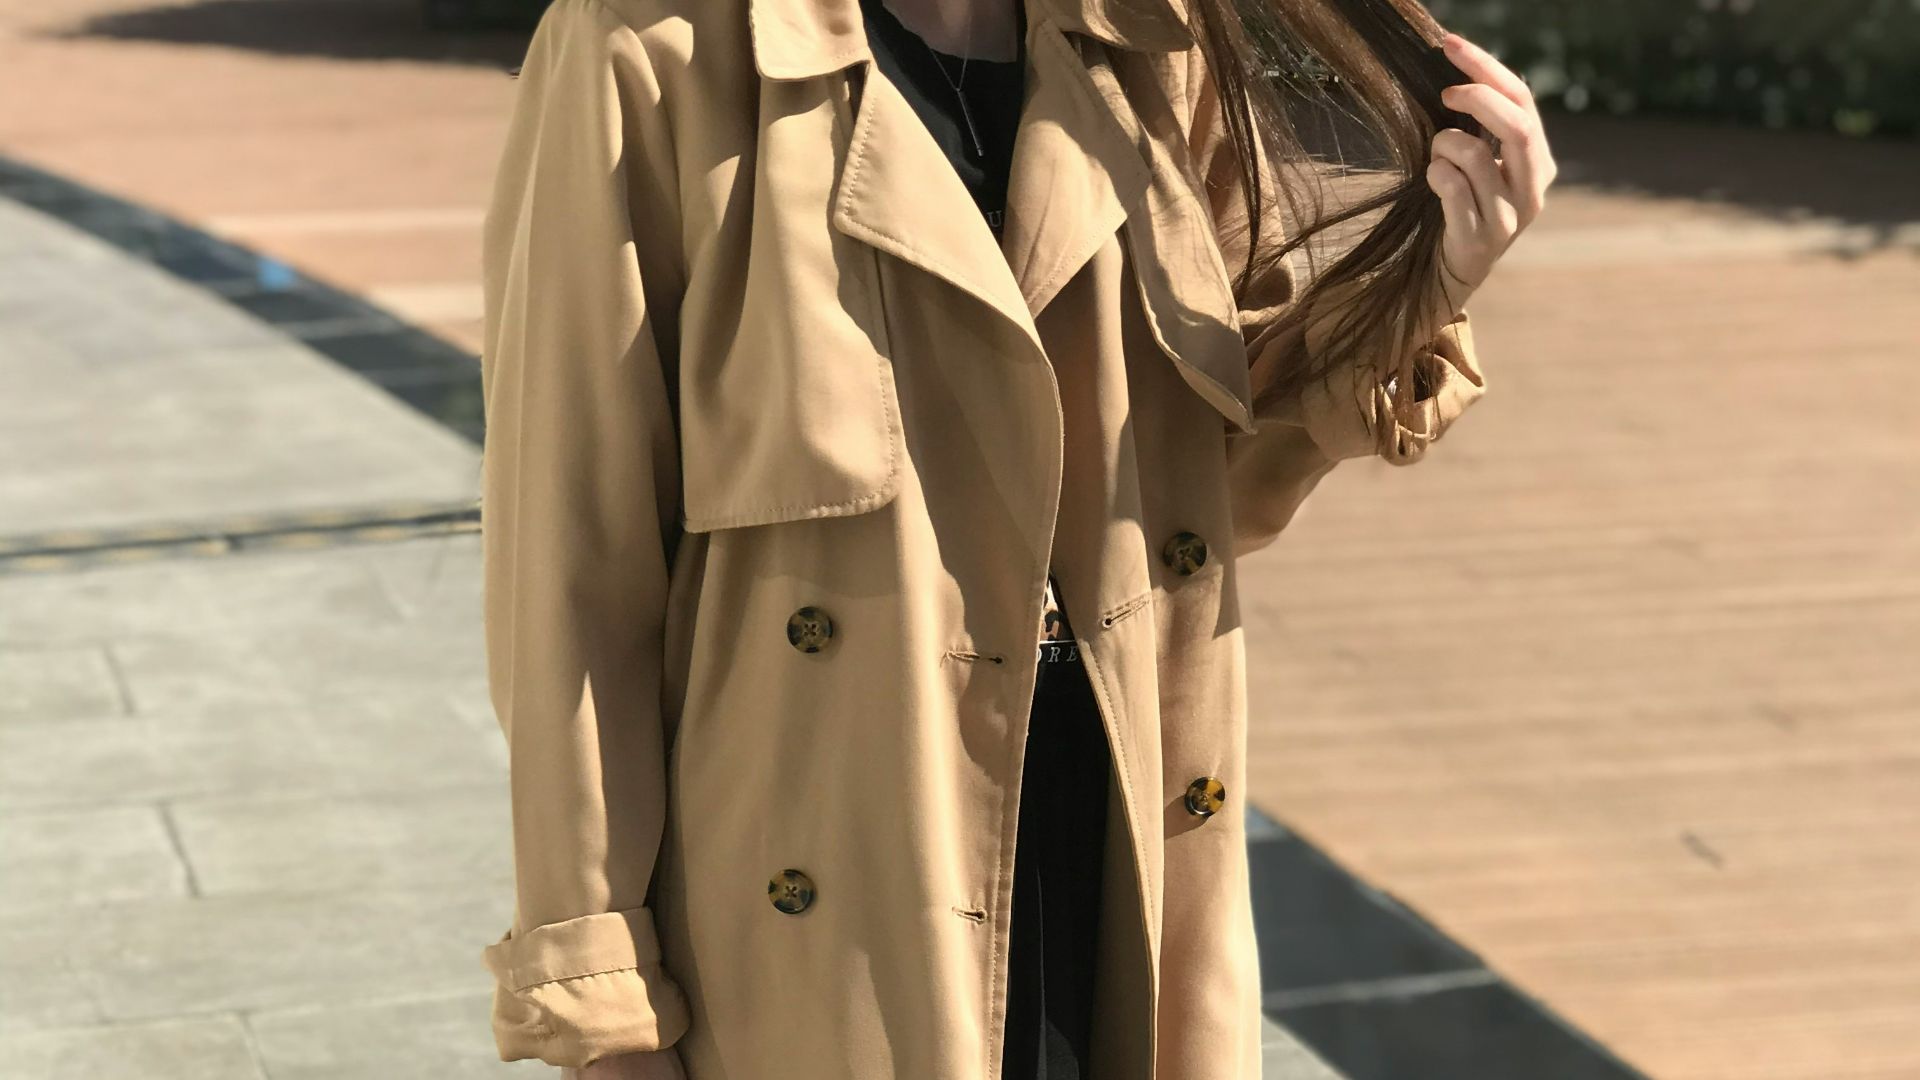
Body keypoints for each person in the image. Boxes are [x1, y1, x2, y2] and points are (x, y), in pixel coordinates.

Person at [473, 0, 1554, 1076]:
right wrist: (603, 1015)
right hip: (833, 924)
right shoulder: (647, 49)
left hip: (1116, 873)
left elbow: (1190, 494)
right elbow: (570, 572)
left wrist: (1429, 286)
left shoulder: (1150, 45)